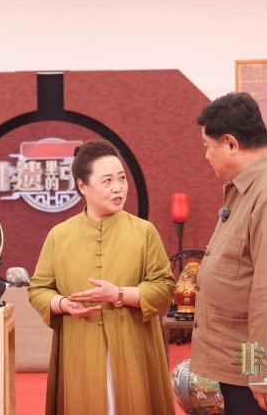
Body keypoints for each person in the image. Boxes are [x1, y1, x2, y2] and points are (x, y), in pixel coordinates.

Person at [28, 139, 177, 415]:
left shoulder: (144, 232)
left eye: (122, 178)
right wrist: (63, 304)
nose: (118, 188)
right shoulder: (59, 235)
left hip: (133, 345)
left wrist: (119, 294)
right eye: (107, 181)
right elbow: (38, 290)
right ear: (82, 186)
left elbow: (165, 287)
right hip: (79, 347)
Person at [190, 92, 267, 414]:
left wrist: (265, 373)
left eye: (208, 146)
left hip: (261, 370)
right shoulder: (252, 185)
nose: (206, 155)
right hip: (243, 359)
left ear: (231, 143)